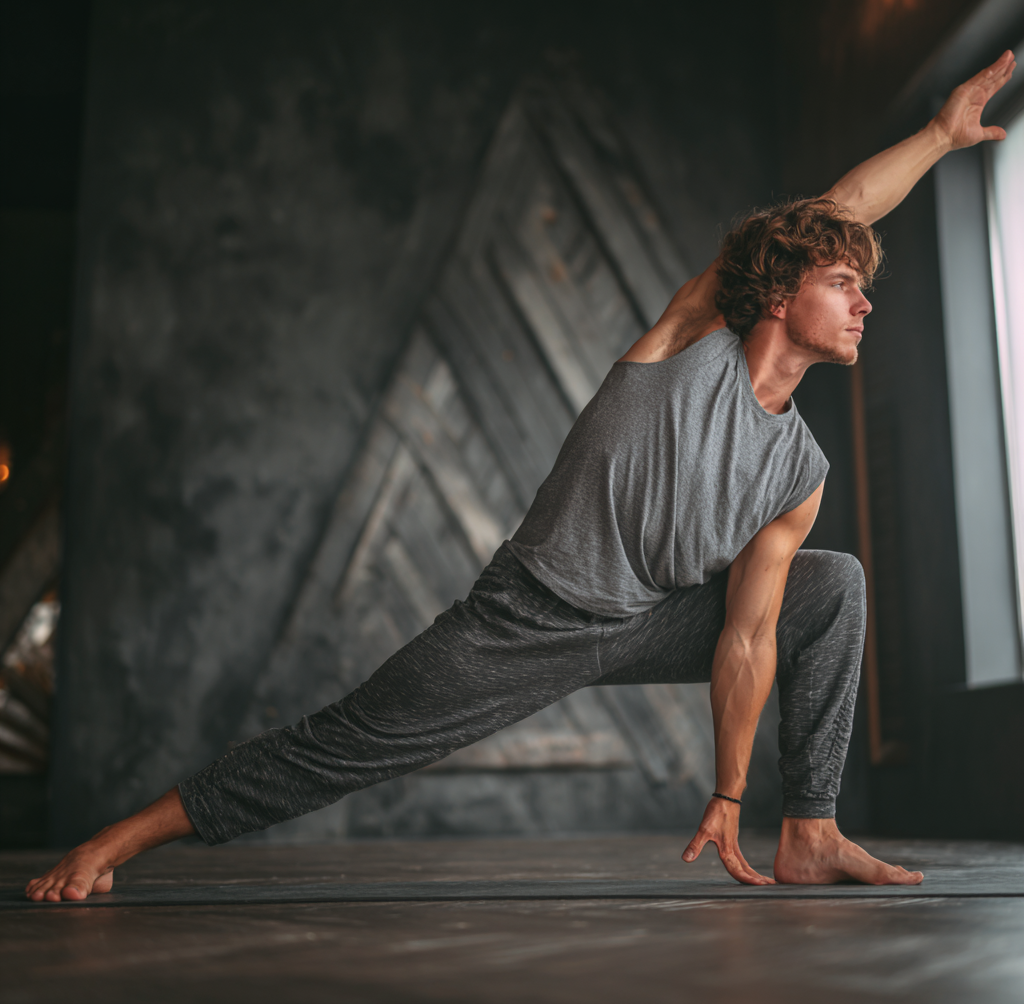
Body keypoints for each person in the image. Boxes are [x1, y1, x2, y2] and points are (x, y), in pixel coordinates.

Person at [27, 51, 1016, 902]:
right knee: (343, 742)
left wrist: (726, 795)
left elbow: (749, 636)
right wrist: (935, 133)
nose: (862, 305)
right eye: (843, 285)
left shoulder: (798, 469)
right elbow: (832, 212)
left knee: (830, 584)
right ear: (780, 289)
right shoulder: (688, 337)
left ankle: (810, 830)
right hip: (526, 618)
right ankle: (115, 840)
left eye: (863, 289)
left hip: (649, 619)